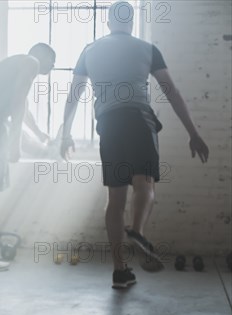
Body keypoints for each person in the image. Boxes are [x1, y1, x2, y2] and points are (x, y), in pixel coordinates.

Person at [60, 1, 209, 288]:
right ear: (131, 22)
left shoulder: (90, 50)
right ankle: (137, 231)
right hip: (139, 119)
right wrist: (193, 132)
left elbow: (74, 94)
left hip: (108, 124)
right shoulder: (147, 48)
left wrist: (64, 133)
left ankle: (120, 271)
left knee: (115, 200)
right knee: (145, 183)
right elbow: (171, 90)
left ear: (108, 22)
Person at [0, 43, 56, 271]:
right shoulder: (30, 63)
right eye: (52, 62)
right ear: (42, 56)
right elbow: (16, 105)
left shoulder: (16, 67)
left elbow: (23, 107)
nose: (52, 68)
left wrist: (39, 134)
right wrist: (14, 146)